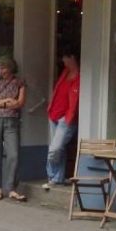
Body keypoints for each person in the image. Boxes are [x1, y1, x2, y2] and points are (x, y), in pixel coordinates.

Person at [0, 55, 26, 202]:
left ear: (10, 68)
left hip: (11, 122)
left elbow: (20, 103)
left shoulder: (20, 83)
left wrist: (0, 103)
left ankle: (11, 188)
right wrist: (6, 102)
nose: (1, 70)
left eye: (3, 67)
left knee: (13, 154)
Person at [44, 49, 80, 189]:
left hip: (67, 118)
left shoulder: (80, 77)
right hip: (54, 114)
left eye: (65, 58)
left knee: (55, 148)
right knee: (59, 149)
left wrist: (71, 116)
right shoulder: (65, 73)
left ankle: (51, 175)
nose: (63, 62)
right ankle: (57, 178)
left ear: (72, 58)